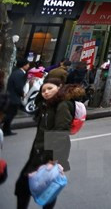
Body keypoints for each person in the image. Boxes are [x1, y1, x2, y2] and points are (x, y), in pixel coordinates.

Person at [14, 79, 83, 209]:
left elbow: (60, 132)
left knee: (38, 188)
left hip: (48, 155)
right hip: (39, 152)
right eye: (43, 90)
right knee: (38, 188)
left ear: (60, 87)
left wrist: (54, 159)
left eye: (50, 88)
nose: (46, 92)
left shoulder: (63, 105)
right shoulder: (48, 104)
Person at [3, 59, 30, 136]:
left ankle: (7, 130)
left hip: (11, 96)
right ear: (24, 65)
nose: (28, 66)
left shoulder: (16, 72)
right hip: (13, 98)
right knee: (10, 114)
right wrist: (22, 94)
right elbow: (18, 86)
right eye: (27, 64)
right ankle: (6, 130)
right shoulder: (20, 74)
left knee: (9, 114)